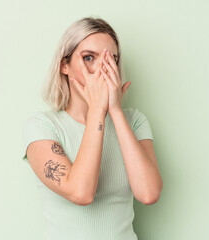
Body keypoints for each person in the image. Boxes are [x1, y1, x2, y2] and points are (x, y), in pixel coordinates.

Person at [22, 16, 163, 240]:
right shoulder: (43, 126)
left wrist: (115, 112)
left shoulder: (134, 121)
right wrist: (97, 109)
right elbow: (81, 192)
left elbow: (148, 193)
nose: (101, 69)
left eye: (111, 60)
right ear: (64, 65)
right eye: (89, 57)